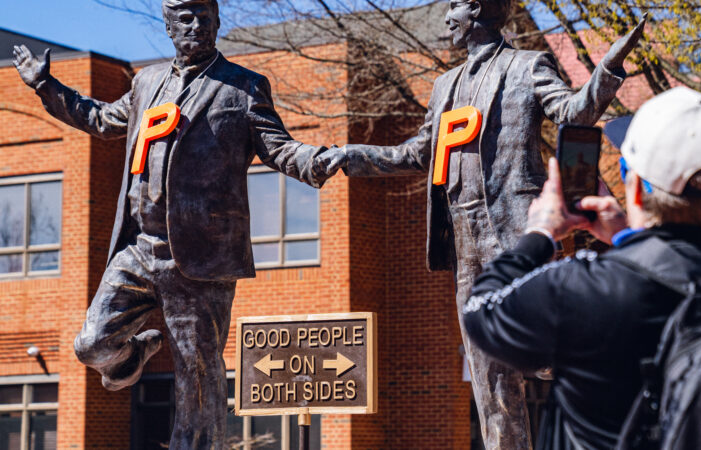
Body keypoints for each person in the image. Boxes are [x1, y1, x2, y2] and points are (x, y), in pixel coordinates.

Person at [11, 0, 345, 448]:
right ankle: (134, 354)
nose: (197, 25)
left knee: (198, 374)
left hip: (201, 255)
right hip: (140, 247)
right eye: (185, 17)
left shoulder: (243, 87)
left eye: (205, 16)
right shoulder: (147, 82)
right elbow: (99, 119)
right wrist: (46, 86)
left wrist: (315, 161)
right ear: (169, 26)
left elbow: (279, 148)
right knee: (91, 344)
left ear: (217, 23)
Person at [331, 0, 645, 447]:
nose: (445, 18)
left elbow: (573, 113)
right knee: (487, 371)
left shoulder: (527, 65)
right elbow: (417, 154)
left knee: (547, 354)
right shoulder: (444, 85)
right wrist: (350, 157)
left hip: (516, 230)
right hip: (463, 236)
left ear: (476, 9)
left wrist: (607, 69)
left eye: (453, 6)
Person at [462, 87, 701, 449]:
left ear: (635, 187)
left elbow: (479, 312)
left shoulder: (586, 289)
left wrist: (540, 232)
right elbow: (684, 271)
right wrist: (627, 237)